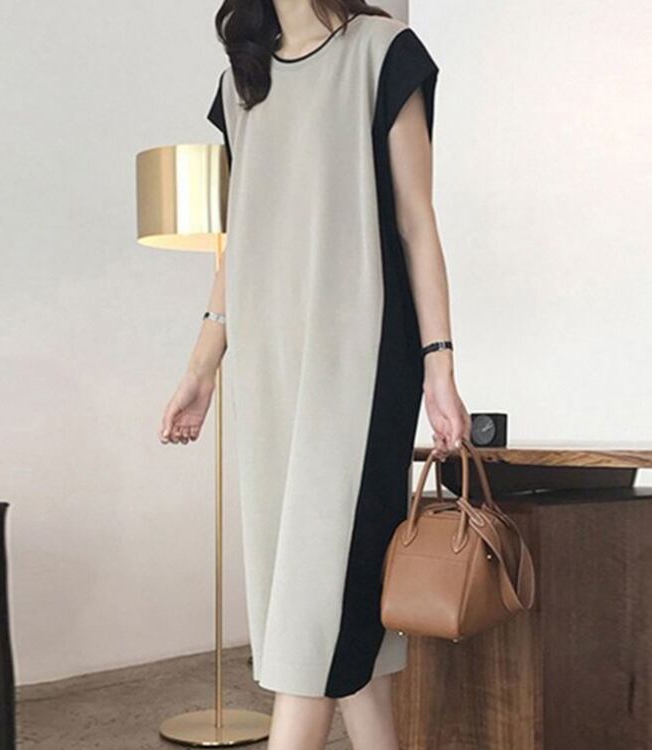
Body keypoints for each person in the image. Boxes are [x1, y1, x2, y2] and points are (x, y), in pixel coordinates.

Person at [159, 1, 470, 748]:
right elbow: (242, 238)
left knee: (315, 603)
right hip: (268, 365)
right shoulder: (242, 80)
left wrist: (440, 362)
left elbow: (416, 219)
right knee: (312, 597)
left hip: (360, 357)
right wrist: (203, 365)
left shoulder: (382, 52)